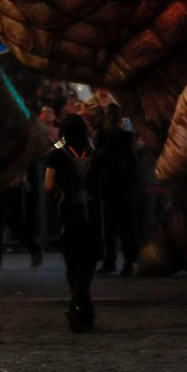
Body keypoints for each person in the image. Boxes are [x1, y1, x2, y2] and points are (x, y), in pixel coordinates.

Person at [46, 113, 101, 332]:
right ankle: (83, 311)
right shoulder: (94, 154)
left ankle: (77, 306)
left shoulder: (56, 155)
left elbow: (48, 186)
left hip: (68, 211)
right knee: (88, 262)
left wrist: (60, 192)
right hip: (92, 212)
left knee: (72, 263)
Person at [95, 103, 138, 275]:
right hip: (124, 183)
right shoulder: (127, 137)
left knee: (109, 225)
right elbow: (133, 159)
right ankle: (128, 261)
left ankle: (110, 261)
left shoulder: (102, 135)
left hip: (108, 182)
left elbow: (97, 157)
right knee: (127, 224)